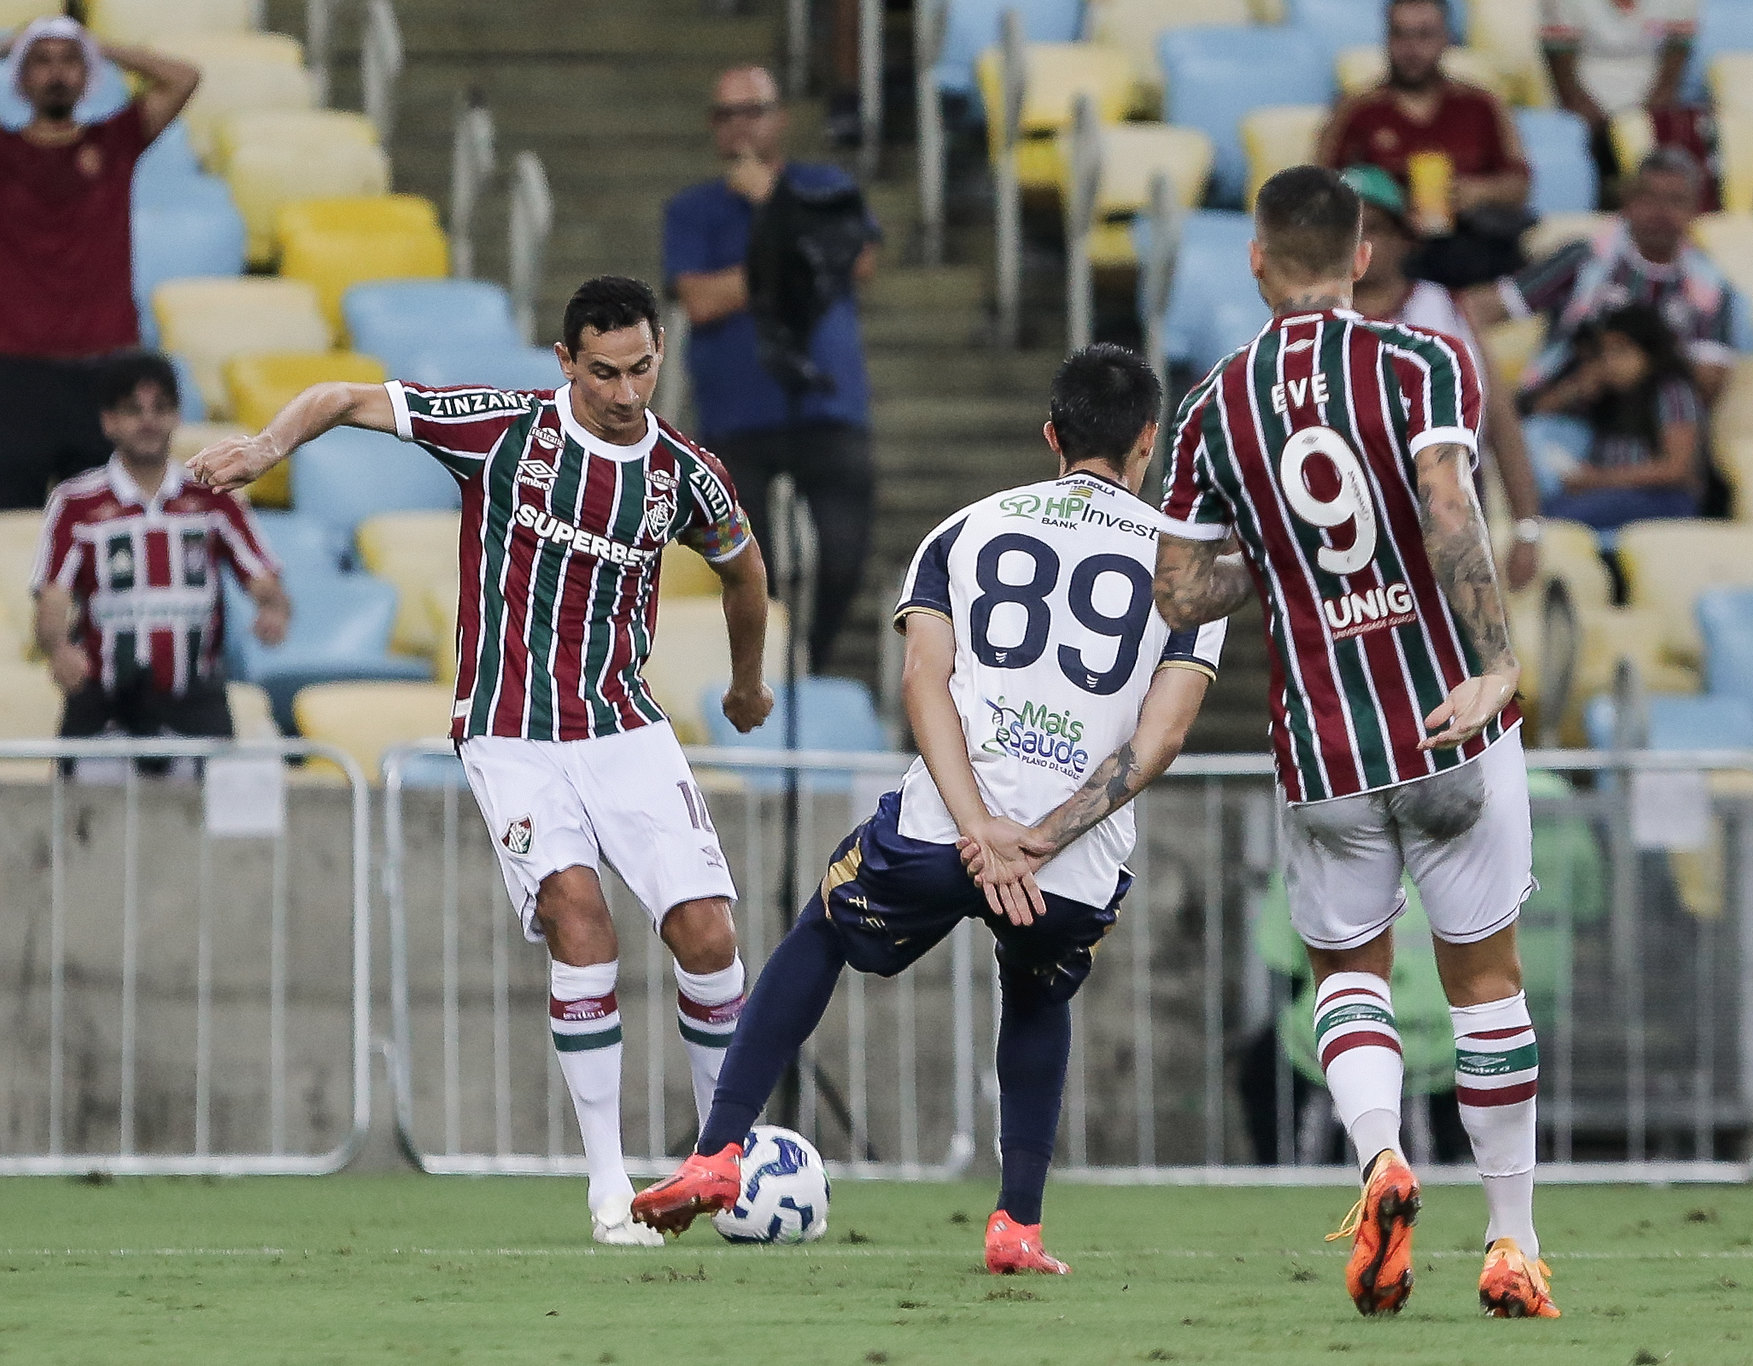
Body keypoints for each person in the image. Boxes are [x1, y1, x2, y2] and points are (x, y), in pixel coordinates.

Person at [185, 276, 775, 1247]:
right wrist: (263, 448)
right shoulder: (503, 430)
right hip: (510, 730)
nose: (624, 393)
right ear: (564, 362)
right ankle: (609, 1187)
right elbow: (344, 395)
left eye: (639, 369)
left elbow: (742, 566)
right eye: (602, 373)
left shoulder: (683, 473)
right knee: (579, 916)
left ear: (660, 352)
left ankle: (723, 1169)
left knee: (708, 935)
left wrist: (747, 683)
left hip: (625, 726)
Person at [630, 345, 1226, 1274]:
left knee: (825, 926)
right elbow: (1164, 734)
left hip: (944, 829)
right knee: (1038, 987)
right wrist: (1040, 840)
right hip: (1070, 862)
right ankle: (1017, 1226)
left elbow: (923, 679)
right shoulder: (1194, 567)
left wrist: (980, 827)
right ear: (1149, 440)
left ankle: (716, 1153)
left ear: (1051, 435)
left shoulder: (963, 529)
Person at [1152, 165, 1555, 1320]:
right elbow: (1447, 507)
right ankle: (1511, 1242)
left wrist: (1269, 557)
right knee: (1483, 982)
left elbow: (1179, 590)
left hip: (1323, 743)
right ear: (1362, 255)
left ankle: (1379, 1159)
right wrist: (1494, 664)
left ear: (1255, 261)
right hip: (1443, 722)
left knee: (1345, 975)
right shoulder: (1422, 360)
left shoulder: (1212, 405)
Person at [664, 64, 880, 672]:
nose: (740, 127)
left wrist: (776, 208)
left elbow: (859, 260)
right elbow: (699, 300)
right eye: (726, 115)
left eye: (752, 111)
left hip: (829, 405)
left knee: (842, 554)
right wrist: (797, 258)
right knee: (745, 564)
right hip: (736, 417)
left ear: (780, 118)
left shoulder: (825, 185)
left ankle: (810, 664)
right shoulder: (693, 209)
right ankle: (764, 669)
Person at [31, 352, 287, 769]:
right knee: (81, 808)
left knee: (213, 808)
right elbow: (53, 597)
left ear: (176, 417)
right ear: (109, 421)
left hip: (196, 698)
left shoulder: (214, 497)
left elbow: (263, 580)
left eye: (161, 408)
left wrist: (273, 608)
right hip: (104, 698)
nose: (148, 422)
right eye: (134, 411)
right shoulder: (76, 502)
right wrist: (58, 649)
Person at [0, 17, 199, 511]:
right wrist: (7, 45)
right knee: (11, 524)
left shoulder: (115, 141)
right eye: (40, 61)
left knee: (101, 523)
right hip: (15, 368)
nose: (56, 73)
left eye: (70, 61)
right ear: (19, 77)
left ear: (88, 74)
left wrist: (101, 46)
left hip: (106, 366)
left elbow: (183, 78)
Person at [1342, 165, 1543, 590]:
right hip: (1346, 539)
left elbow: (1500, 419)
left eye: (1372, 227)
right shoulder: (1306, 324)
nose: (1356, 240)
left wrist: (1526, 527)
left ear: (1404, 237)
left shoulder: (1445, 309)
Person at [1462, 147, 1742, 408]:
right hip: (1565, 409)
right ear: (1628, 202)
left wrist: (1635, 367)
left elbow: (1710, 382)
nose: (1661, 211)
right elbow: (1490, 306)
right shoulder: (1585, 258)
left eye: (1675, 200)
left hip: (1655, 422)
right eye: (1649, 197)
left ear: (1695, 210)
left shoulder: (1712, 285)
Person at [1316, 0, 1532, 288]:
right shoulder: (1356, 110)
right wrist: (1388, 207)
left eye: (1424, 35)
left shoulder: (1481, 105)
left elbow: (1519, 183)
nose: (1411, 48)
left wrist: (1476, 192)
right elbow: (1321, 190)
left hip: (1473, 247)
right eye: (1400, 35)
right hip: (1392, 257)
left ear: (1447, 39)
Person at [1525, 303, 1702, 532]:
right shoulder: (1609, 395)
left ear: (1649, 352)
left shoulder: (1671, 391)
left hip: (1662, 498)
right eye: (1605, 353)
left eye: (1621, 351)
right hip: (1608, 494)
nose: (1610, 362)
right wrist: (1577, 387)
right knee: (1539, 511)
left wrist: (1597, 479)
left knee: (1557, 518)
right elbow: (1537, 417)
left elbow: (1676, 469)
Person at [1537, 0, 1703, 180]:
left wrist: (1639, 124)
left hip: (1649, 106)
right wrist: (1606, 131)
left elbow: (1669, 80)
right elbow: (1564, 79)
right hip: (1586, 108)